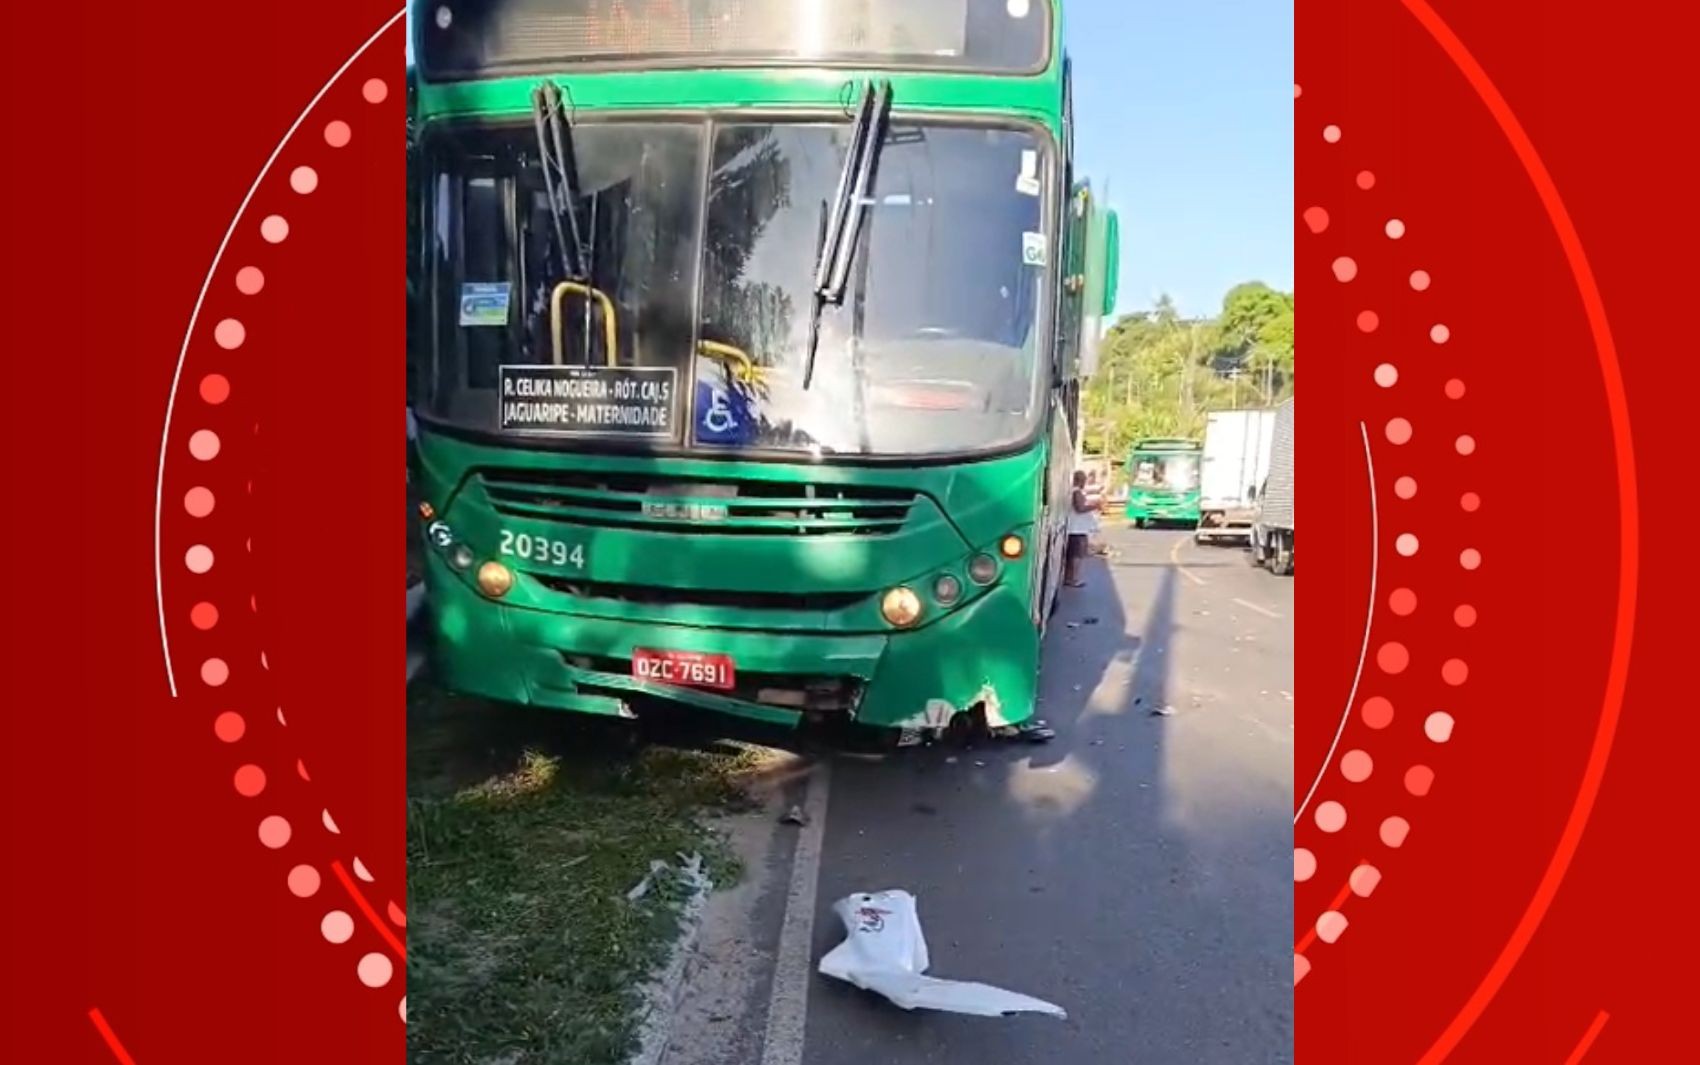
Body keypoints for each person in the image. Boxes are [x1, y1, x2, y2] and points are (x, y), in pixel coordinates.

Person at [1064, 469, 1099, 588]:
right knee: (1076, 555)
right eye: (1084, 480)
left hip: (1075, 528)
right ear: (1080, 480)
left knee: (1072, 555)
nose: (1085, 483)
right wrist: (1095, 506)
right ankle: (1074, 579)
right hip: (1077, 529)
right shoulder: (1077, 492)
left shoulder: (1073, 491)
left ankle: (1069, 578)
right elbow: (1080, 508)